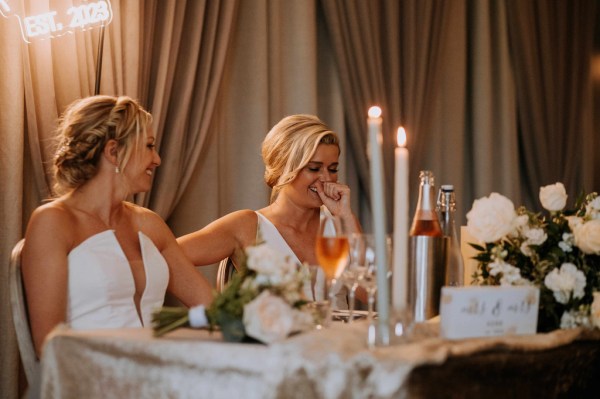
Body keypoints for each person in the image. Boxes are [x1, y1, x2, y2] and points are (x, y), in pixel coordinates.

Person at [21, 95, 213, 357]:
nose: (157, 159)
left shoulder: (149, 224)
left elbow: (209, 307)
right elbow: (50, 344)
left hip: (161, 372)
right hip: (89, 381)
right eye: (149, 146)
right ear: (113, 151)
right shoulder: (54, 222)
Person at [177, 114, 361, 309]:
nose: (326, 178)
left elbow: (370, 292)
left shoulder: (339, 224)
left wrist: (345, 216)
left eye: (332, 169)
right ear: (283, 168)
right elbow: (166, 257)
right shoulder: (246, 226)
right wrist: (215, 310)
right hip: (278, 340)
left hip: (342, 339)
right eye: (314, 168)